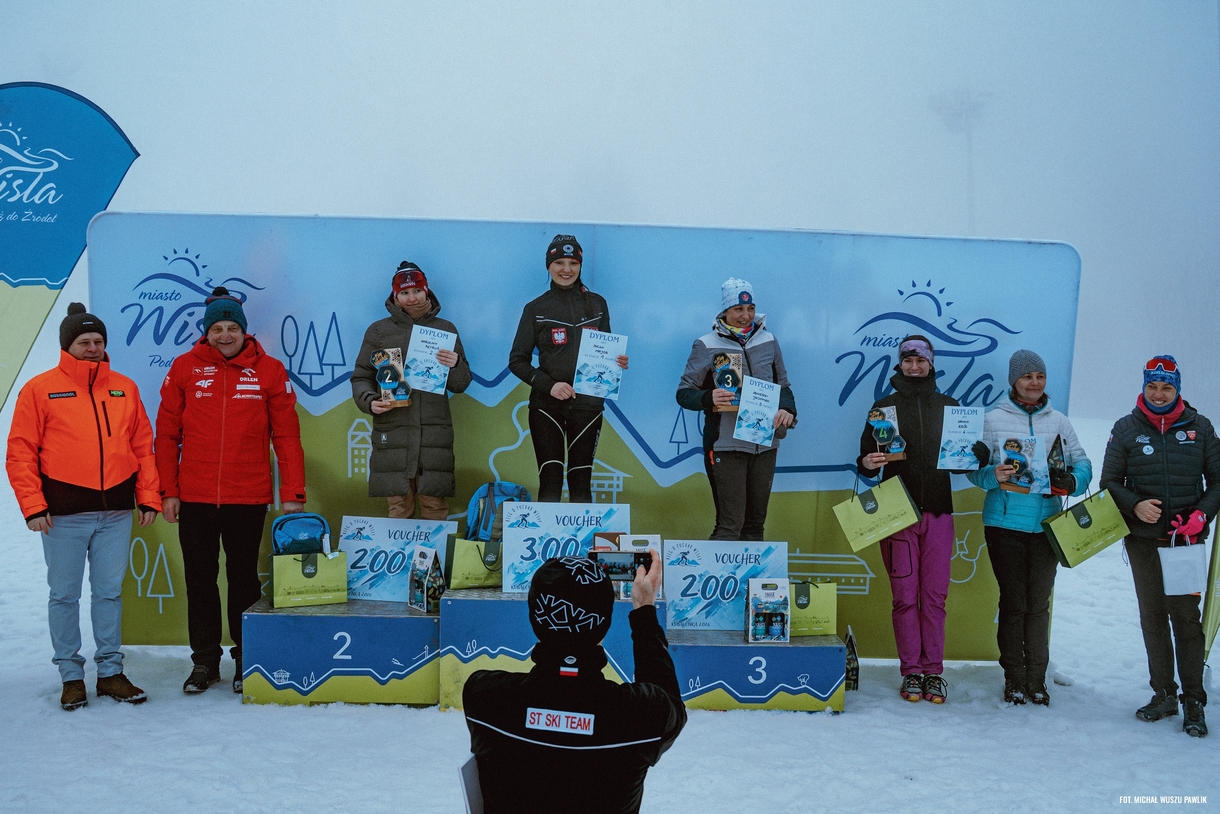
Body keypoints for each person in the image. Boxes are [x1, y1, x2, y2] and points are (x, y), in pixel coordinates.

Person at [6, 303, 160, 710]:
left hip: (115, 513)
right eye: (84, 342)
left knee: (109, 594)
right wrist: (33, 506)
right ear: (67, 346)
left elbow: (143, 447)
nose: (93, 348)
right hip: (63, 515)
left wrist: (147, 496)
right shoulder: (40, 389)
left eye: (98, 341)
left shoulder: (124, 387)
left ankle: (110, 672)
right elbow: (20, 452)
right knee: (64, 595)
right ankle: (71, 676)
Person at [156, 287, 307, 694]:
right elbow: (166, 435)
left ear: (244, 331)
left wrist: (293, 491)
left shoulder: (269, 370)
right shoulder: (184, 367)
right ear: (206, 333)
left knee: (243, 581)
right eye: (217, 329)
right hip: (195, 496)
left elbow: (286, 436)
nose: (225, 335)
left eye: (232, 328)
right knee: (200, 581)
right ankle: (204, 662)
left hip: (248, 495)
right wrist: (168, 490)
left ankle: (246, 659)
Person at [463, 553, 686, 813]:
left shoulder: (484, 697)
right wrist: (644, 610)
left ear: (534, 618)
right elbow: (669, 701)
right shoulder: (640, 715)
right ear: (604, 623)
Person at [1100, 355, 1218, 738]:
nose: (1159, 394)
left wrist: (1201, 515)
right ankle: (1164, 694)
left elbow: (1218, 482)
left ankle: (1193, 700)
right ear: (1144, 387)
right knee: (1152, 618)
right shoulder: (1125, 428)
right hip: (1143, 541)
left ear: (1177, 389)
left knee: (1185, 620)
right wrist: (1134, 504)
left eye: (1166, 387)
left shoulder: (1200, 428)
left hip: (1185, 542)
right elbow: (1109, 482)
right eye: (1152, 386)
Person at [967, 350, 1092, 706]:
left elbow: (1082, 462)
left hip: (1046, 526)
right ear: (1014, 381)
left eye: (1039, 376)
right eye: (1026, 377)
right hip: (1004, 524)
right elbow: (974, 472)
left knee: (1038, 604)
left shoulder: (1059, 421)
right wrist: (993, 475)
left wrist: (1072, 481)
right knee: (1014, 603)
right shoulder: (992, 420)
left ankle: (1037, 678)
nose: (1034, 383)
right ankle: (1014, 678)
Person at [856, 335, 960, 704]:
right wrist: (868, 462)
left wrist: (976, 452)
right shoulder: (884, 408)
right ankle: (911, 672)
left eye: (921, 361)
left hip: (939, 512)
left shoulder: (950, 407)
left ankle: (934, 672)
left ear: (931, 363)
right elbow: (867, 461)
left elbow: (963, 463)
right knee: (903, 597)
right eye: (907, 361)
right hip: (896, 514)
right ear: (899, 364)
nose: (914, 367)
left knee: (934, 598)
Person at [508, 235, 628, 502]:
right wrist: (550, 386)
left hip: (588, 406)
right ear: (549, 266)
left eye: (573, 263)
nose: (566, 269)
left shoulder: (597, 304)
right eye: (559, 262)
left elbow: (605, 352)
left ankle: (581, 533)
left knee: (581, 482)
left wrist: (616, 362)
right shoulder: (535, 309)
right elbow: (517, 361)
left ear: (580, 266)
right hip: (546, 406)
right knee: (550, 481)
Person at [676, 278, 796, 539]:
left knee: (755, 525)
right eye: (738, 309)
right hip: (725, 445)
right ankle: (717, 567)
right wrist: (709, 397)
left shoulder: (769, 340)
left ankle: (751, 569)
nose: (746, 315)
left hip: (764, 444)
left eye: (750, 308)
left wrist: (788, 410)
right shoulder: (706, 344)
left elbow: (783, 387)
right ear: (725, 311)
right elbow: (684, 394)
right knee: (730, 525)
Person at [351, 261, 472, 519]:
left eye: (417, 290)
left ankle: (435, 549)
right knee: (398, 507)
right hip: (393, 431)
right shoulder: (378, 331)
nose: (412, 298)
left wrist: (456, 364)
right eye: (404, 292)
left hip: (433, 436)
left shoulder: (445, 329)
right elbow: (361, 377)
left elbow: (460, 384)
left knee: (434, 506)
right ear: (395, 296)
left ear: (426, 291)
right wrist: (369, 400)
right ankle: (398, 548)